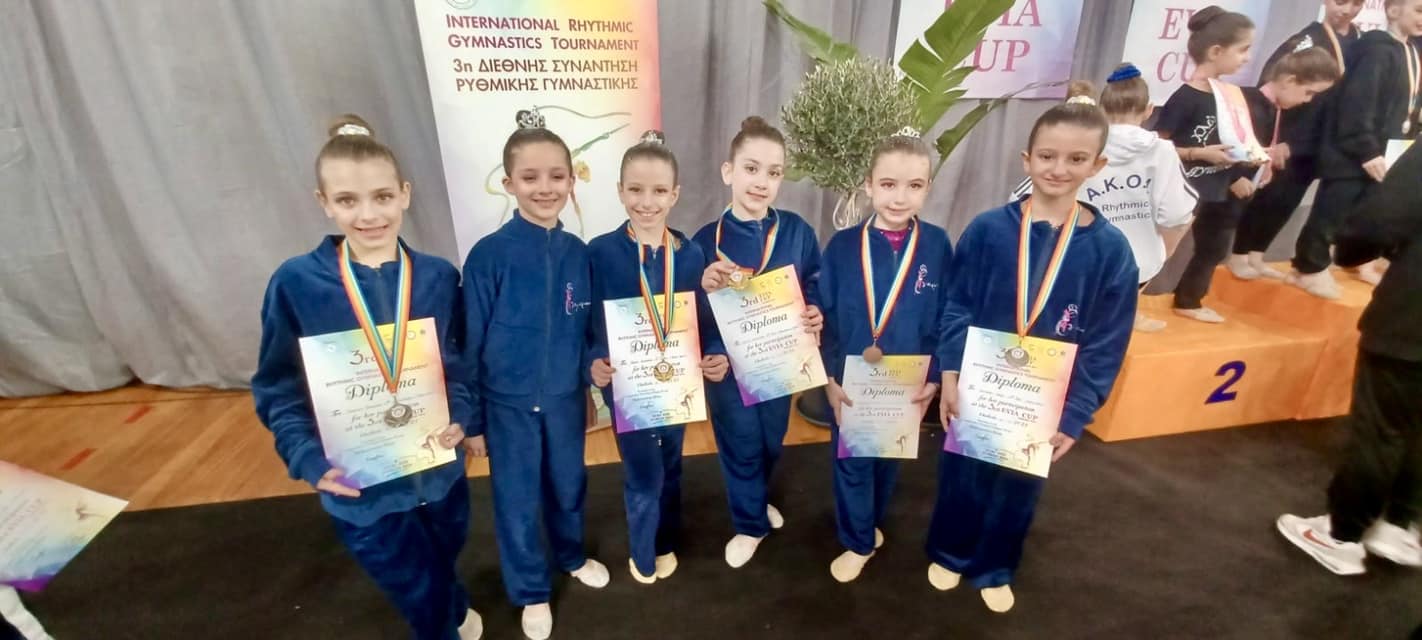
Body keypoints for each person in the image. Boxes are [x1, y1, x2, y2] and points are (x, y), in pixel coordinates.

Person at [251, 115, 482, 640]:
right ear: (324, 203)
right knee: (414, 588)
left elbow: (458, 366)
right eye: (348, 200)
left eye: (382, 197)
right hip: (361, 490)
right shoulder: (297, 284)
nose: (369, 214)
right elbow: (277, 386)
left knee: (443, 562)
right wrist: (306, 458)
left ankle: (452, 607)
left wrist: (461, 416)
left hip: (438, 472)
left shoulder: (438, 277)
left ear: (405, 195)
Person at [926, 93, 1138, 613]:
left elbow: (1107, 342)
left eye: (1076, 158)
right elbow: (957, 305)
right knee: (963, 474)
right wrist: (950, 373)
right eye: (1047, 155)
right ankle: (950, 551)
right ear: (1027, 160)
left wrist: (1077, 412)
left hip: (1042, 400)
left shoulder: (1111, 252)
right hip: (979, 386)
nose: (1058, 168)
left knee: (1019, 484)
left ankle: (995, 566)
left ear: (1098, 165)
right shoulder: (988, 230)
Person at [460, 110, 607, 640]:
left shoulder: (578, 254)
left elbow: (588, 329)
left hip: (565, 400)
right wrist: (473, 420)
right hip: (507, 406)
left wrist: (590, 371)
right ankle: (530, 590)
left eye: (556, 176)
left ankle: (570, 556)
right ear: (508, 184)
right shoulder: (488, 257)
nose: (545, 188)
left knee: (569, 485)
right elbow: (469, 344)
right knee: (517, 501)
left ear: (571, 181)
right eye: (530, 177)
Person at [586, 130, 730, 584]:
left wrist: (715, 353)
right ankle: (643, 551)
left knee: (671, 464)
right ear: (619, 191)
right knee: (643, 473)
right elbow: (589, 325)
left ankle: (666, 537)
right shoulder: (599, 254)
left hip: (676, 387)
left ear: (675, 194)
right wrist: (593, 360)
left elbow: (705, 320)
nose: (646, 202)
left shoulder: (691, 255)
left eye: (659, 191)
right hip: (627, 389)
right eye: (636, 189)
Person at [1275, 138, 1422, 575]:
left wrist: (1352, 252)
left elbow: (1380, 220)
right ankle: (1398, 524)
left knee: (1381, 429)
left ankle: (1342, 534)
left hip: (1411, 318)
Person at [818, 127, 952, 582]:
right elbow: (825, 318)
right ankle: (857, 541)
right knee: (852, 463)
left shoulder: (937, 245)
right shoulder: (841, 247)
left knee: (889, 461)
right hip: (852, 382)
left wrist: (934, 376)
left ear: (927, 188)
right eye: (888, 184)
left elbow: (946, 316)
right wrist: (830, 378)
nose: (899, 197)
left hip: (908, 384)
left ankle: (869, 521)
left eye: (913, 186)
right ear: (869, 184)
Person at [694, 116, 824, 569]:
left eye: (773, 172)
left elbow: (815, 281)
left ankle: (755, 498)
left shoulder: (797, 231)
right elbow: (690, 315)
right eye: (751, 169)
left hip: (780, 361)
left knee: (771, 439)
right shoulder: (703, 242)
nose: (761, 182)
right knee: (740, 443)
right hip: (729, 369)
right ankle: (749, 523)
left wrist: (816, 309)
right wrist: (710, 345)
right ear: (728, 171)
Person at [1016, 72, 1197, 332]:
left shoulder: (1083, 146)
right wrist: (1160, 253)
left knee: (1067, 327)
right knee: (1106, 334)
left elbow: (1022, 200)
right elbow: (1177, 214)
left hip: (1074, 262)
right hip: (1138, 264)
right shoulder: (1162, 152)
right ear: (1148, 110)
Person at [1293, 0, 1422, 298]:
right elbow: (1357, 103)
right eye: (1418, 10)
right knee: (1332, 209)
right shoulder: (1376, 49)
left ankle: (1360, 262)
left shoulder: (1410, 50)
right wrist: (1366, 149)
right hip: (1353, 152)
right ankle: (1309, 267)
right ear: (1393, 10)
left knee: (1364, 210)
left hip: (1386, 148)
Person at [1227, 0, 1364, 280]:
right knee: (1270, 194)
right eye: (1341, 1)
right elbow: (1274, 82)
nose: (1347, 10)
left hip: (1323, 137)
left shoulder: (1360, 40)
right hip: (1292, 133)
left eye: (1357, 3)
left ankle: (1258, 253)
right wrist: (1279, 135)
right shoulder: (1307, 39)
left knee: (1290, 198)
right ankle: (1240, 253)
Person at [1154, 6, 1258, 324]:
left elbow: (1234, 139)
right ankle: (1125, 308)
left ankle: (1190, 299)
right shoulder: (1185, 97)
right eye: (1242, 49)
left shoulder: (1229, 96)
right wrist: (1199, 154)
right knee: (1159, 252)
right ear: (1216, 51)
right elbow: (1157, 147)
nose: (1247, 58)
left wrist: (1245, 162)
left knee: (1213, 247)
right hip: (1183, 187)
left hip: (1216, 187)